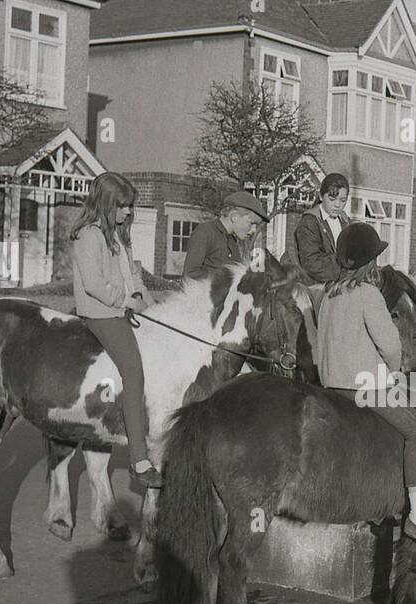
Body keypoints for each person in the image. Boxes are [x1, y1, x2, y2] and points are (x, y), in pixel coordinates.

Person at [316, 222, 416, 551]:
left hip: (331, 385)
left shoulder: (328, 294)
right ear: (370, 262)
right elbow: (390, 345)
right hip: (365, 387)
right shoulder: (368, 294)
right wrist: (392, 372)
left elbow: (319, 347)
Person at [69, 172, 163, 489]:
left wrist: (145, 301)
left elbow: (132, 273)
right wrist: (126, 301)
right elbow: (94, 284)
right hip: (101, 314)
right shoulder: (89, 235)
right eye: (122, 206)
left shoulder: (119, 234)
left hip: (123, 307)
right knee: (133, 371)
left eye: (130, 207)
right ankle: (139, 460)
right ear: (106, 203)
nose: (128, 212)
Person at [182, 191, 268, 276]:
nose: (253, 230)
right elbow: (190, 274)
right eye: (251, 223)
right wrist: (224, 280)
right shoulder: (205, 232)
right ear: (235, 217)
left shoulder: (232, 241)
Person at [292, 173, 351, 285]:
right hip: (316, 287)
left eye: (343, 200)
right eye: (332, 199)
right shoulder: (309, 222)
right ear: (320, 196)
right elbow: (312, 264)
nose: (337, 205)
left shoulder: (345, 221)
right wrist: (346, 272)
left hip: (341, 283)